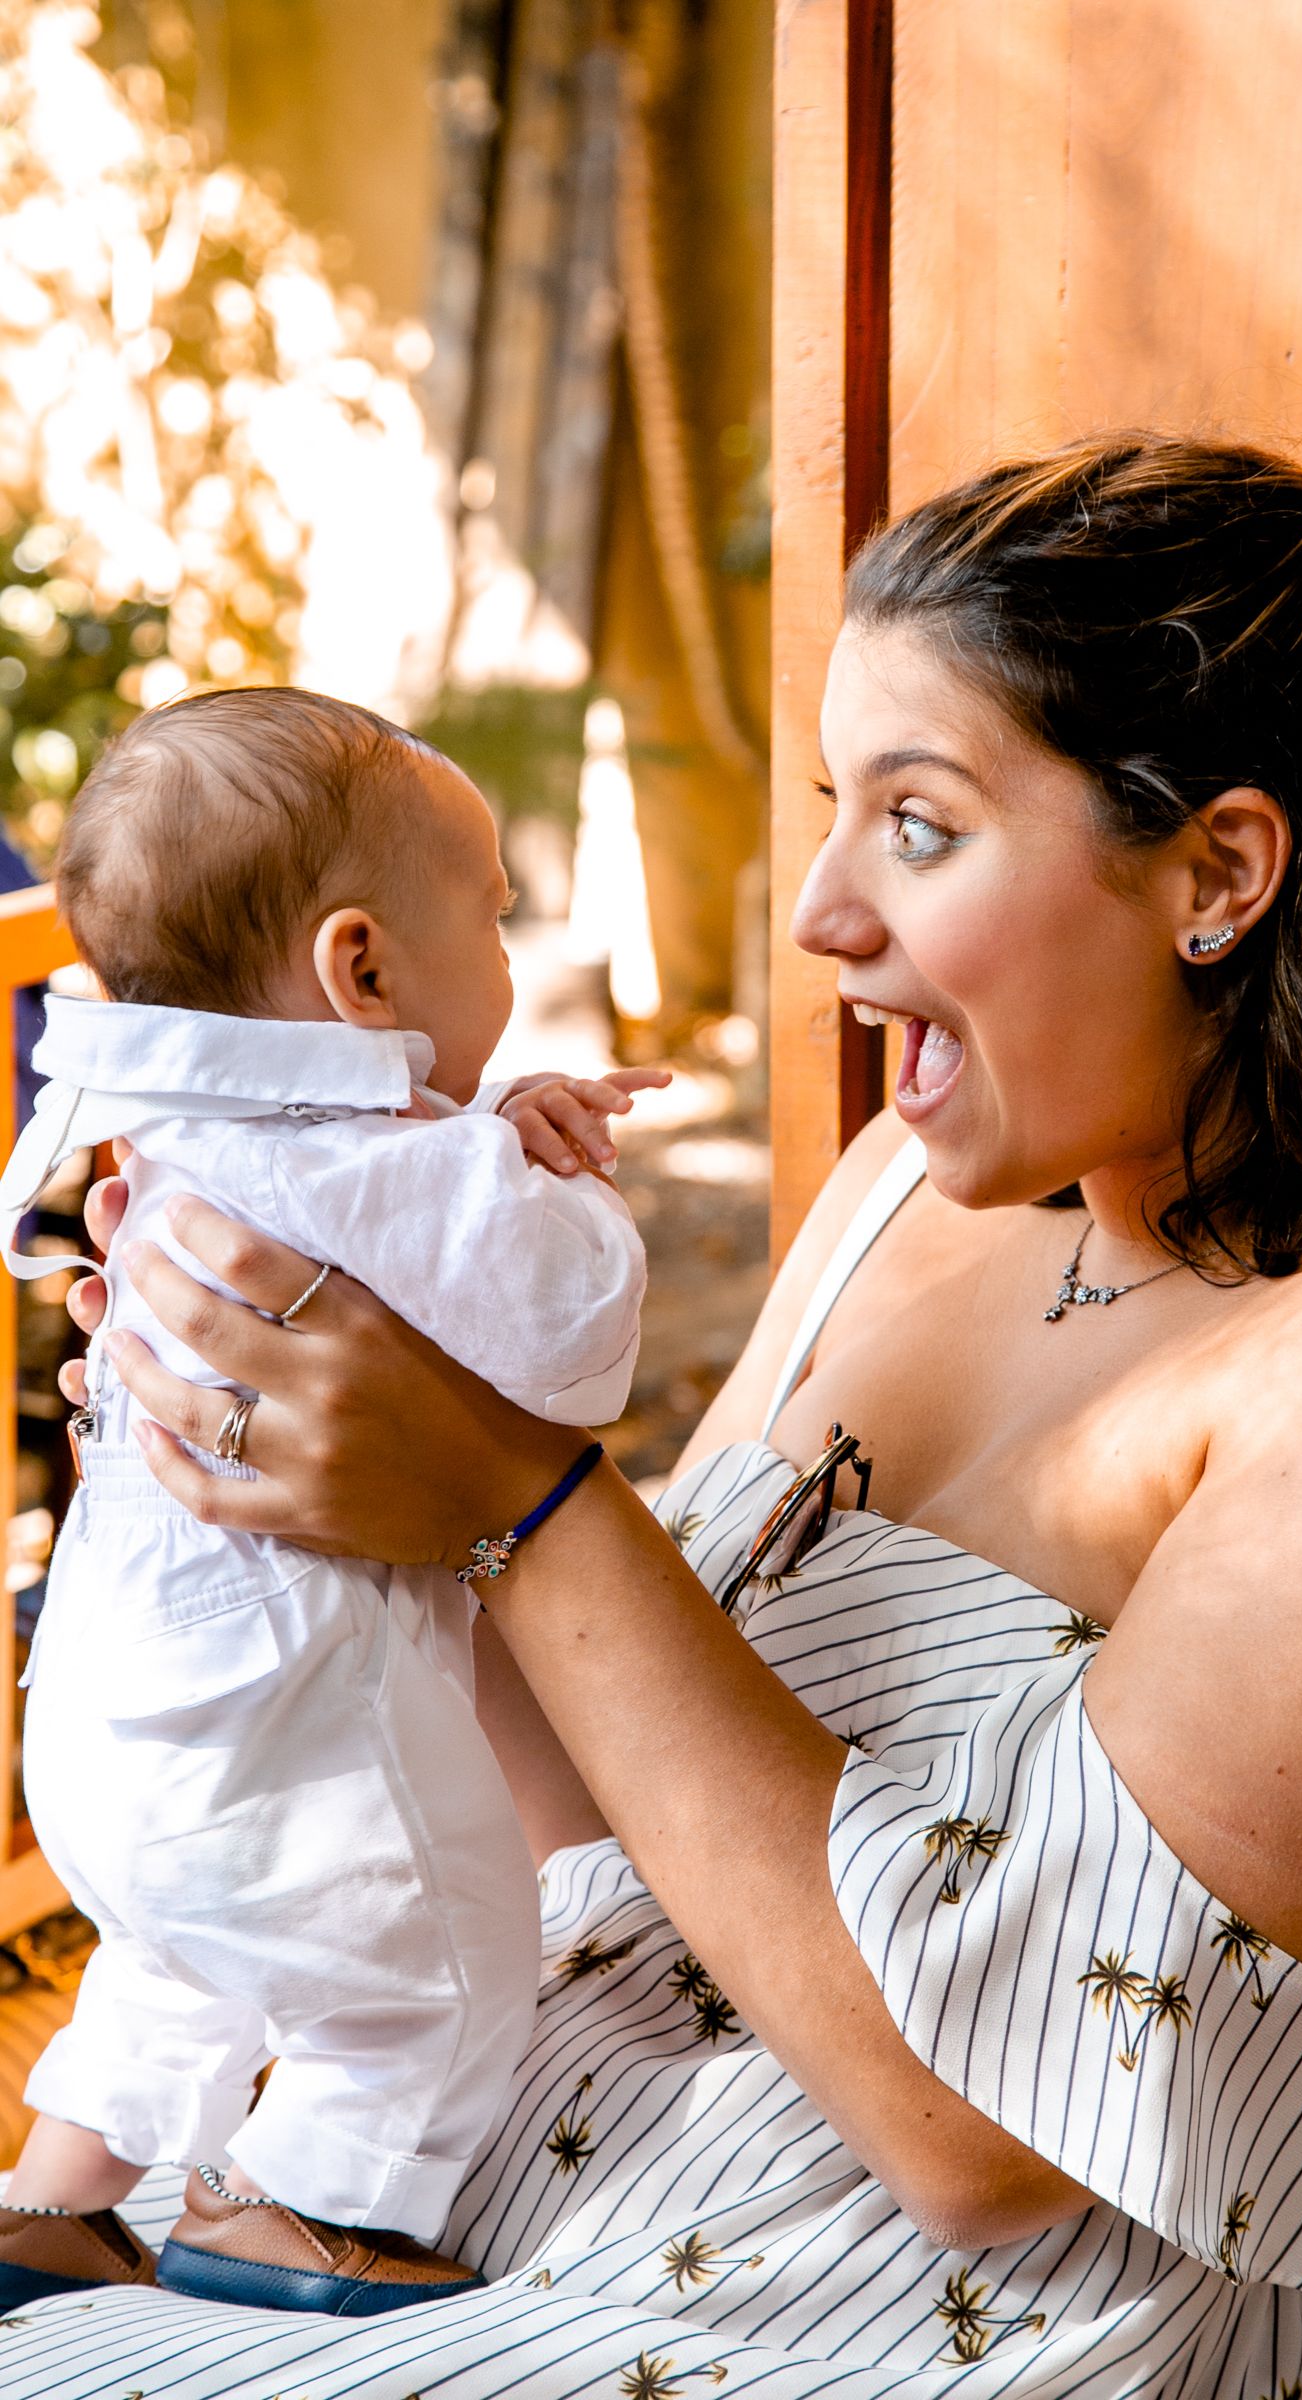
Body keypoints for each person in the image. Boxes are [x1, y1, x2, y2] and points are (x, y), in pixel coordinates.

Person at [5, 437, 1302, 2399]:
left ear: (1215, 873)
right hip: (478, 2168)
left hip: (876, 2317)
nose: (822, 918)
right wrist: (285, 1485)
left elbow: (990, 2141)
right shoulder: (897, 1206)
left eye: (916, 827)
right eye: (835, 812)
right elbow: (588, 1792)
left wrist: (509, 1490)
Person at [0, 690, 662, 2315]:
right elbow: (574, 1350)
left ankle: (49, 2202)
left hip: (100, 1727)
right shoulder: (404, 1171)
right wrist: (543, 1175)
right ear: (362, 971)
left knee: (181, 1958)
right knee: (422, 1981)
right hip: (285, 1729)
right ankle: (301, 2211)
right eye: (497, 915)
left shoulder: (156, 1132)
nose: (511, 952)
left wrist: (468, 1136)